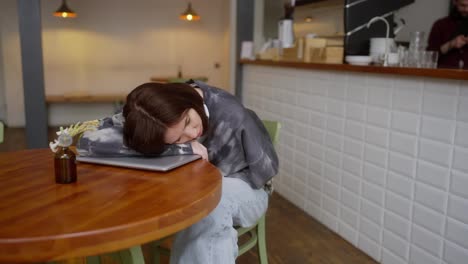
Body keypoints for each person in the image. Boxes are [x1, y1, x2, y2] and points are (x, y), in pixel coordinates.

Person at [77, 80, 279, 264]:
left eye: (188, 122)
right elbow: (88, 142)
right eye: (177, 139)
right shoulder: (149, 110)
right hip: (189, 188)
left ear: (187, 101)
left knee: (210, 203)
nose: (192, 134)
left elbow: (264, 173)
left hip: (248, 187)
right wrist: (183, 148)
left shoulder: (229, 113)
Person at [427, 0, 468, 69]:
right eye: (463, 5)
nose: (467, 9)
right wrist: (450, 44)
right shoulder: (440, 25)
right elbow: (429, 57)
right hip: (444, 75)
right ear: (455, 2)